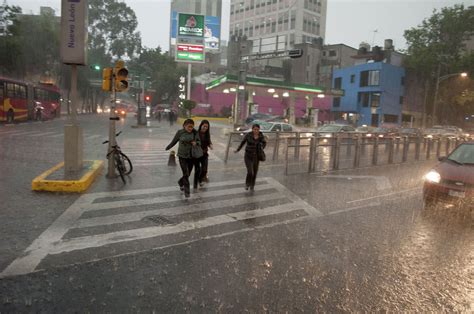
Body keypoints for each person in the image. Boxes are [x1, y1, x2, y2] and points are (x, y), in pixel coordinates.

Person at [165, 119, 200, 198]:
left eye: (192, 127)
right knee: (186, 173)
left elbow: (199, 142)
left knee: (188, 173)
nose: (190, 128)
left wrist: (196, 143)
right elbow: (174, 141)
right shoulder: (180, 132)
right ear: (184, 126)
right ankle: (187, 192)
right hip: (182, 156)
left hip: (191, 156)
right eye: (189, 126)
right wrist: (168, 147)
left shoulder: (195, 132)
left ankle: (181, 182)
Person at [234, 124, 266, 191]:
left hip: (256, 156)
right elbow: (243, 142)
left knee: (255, 172)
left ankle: (252, 185)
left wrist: (262, 146)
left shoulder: (261, 136)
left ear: (259, 130)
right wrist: (238, 149)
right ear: (252, 129)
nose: (256, 131)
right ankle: (247, 183)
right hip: (248, 156)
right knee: (250, 171)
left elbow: (264, 143)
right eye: (254, 129)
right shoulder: (248, 135)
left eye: (257, 129)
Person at [196, 120, 213, 187]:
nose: (205, 128)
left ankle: (200, 179)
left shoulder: (207, 134)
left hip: (204, 154)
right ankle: (198, 181)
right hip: (197, 155)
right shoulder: (196, 133)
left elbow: (209, 142)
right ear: (201, 126)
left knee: (204, 170)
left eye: (206, 127)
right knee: (198, 169)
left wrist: (210, 145)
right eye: (204, 126)